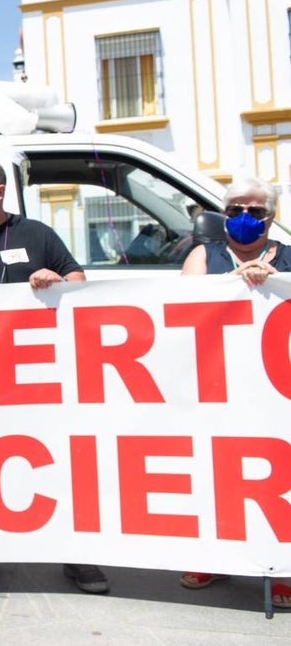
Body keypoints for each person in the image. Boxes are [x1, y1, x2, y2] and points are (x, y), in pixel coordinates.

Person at [0, 158, 109, 595]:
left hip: (35, 379)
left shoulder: (36, 235)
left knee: (56, 459)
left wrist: (58, 283)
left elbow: (79, 282)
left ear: (0, 191)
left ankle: (75, 554)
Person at [178, 177, 290, 605]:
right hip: (218, 385)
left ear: (271, 217)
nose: (245, 217)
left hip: (277, 390)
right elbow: (181, 305)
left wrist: (274, 282)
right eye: (236, 209)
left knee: (279, 478)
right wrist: (232, 284)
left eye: (256, 211)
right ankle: (216, 558)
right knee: (218, 471)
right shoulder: (204, 256)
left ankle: (282, 569)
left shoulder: (289, 258)